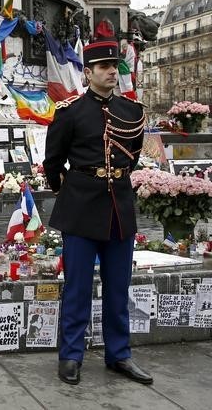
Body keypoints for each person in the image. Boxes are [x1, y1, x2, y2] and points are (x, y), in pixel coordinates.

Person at [44, 40, 151, 386]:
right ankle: (71, 355)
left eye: (114, 67)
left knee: (118, 288)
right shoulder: (70, 111)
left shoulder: (132, 112)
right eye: (103, 67)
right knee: (77, 288)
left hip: (119, 208)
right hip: (80, 209)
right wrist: (71, 190)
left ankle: (119, 354)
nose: (110, 72)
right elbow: (53, 161)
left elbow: (131, 156)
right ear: (87, 72)